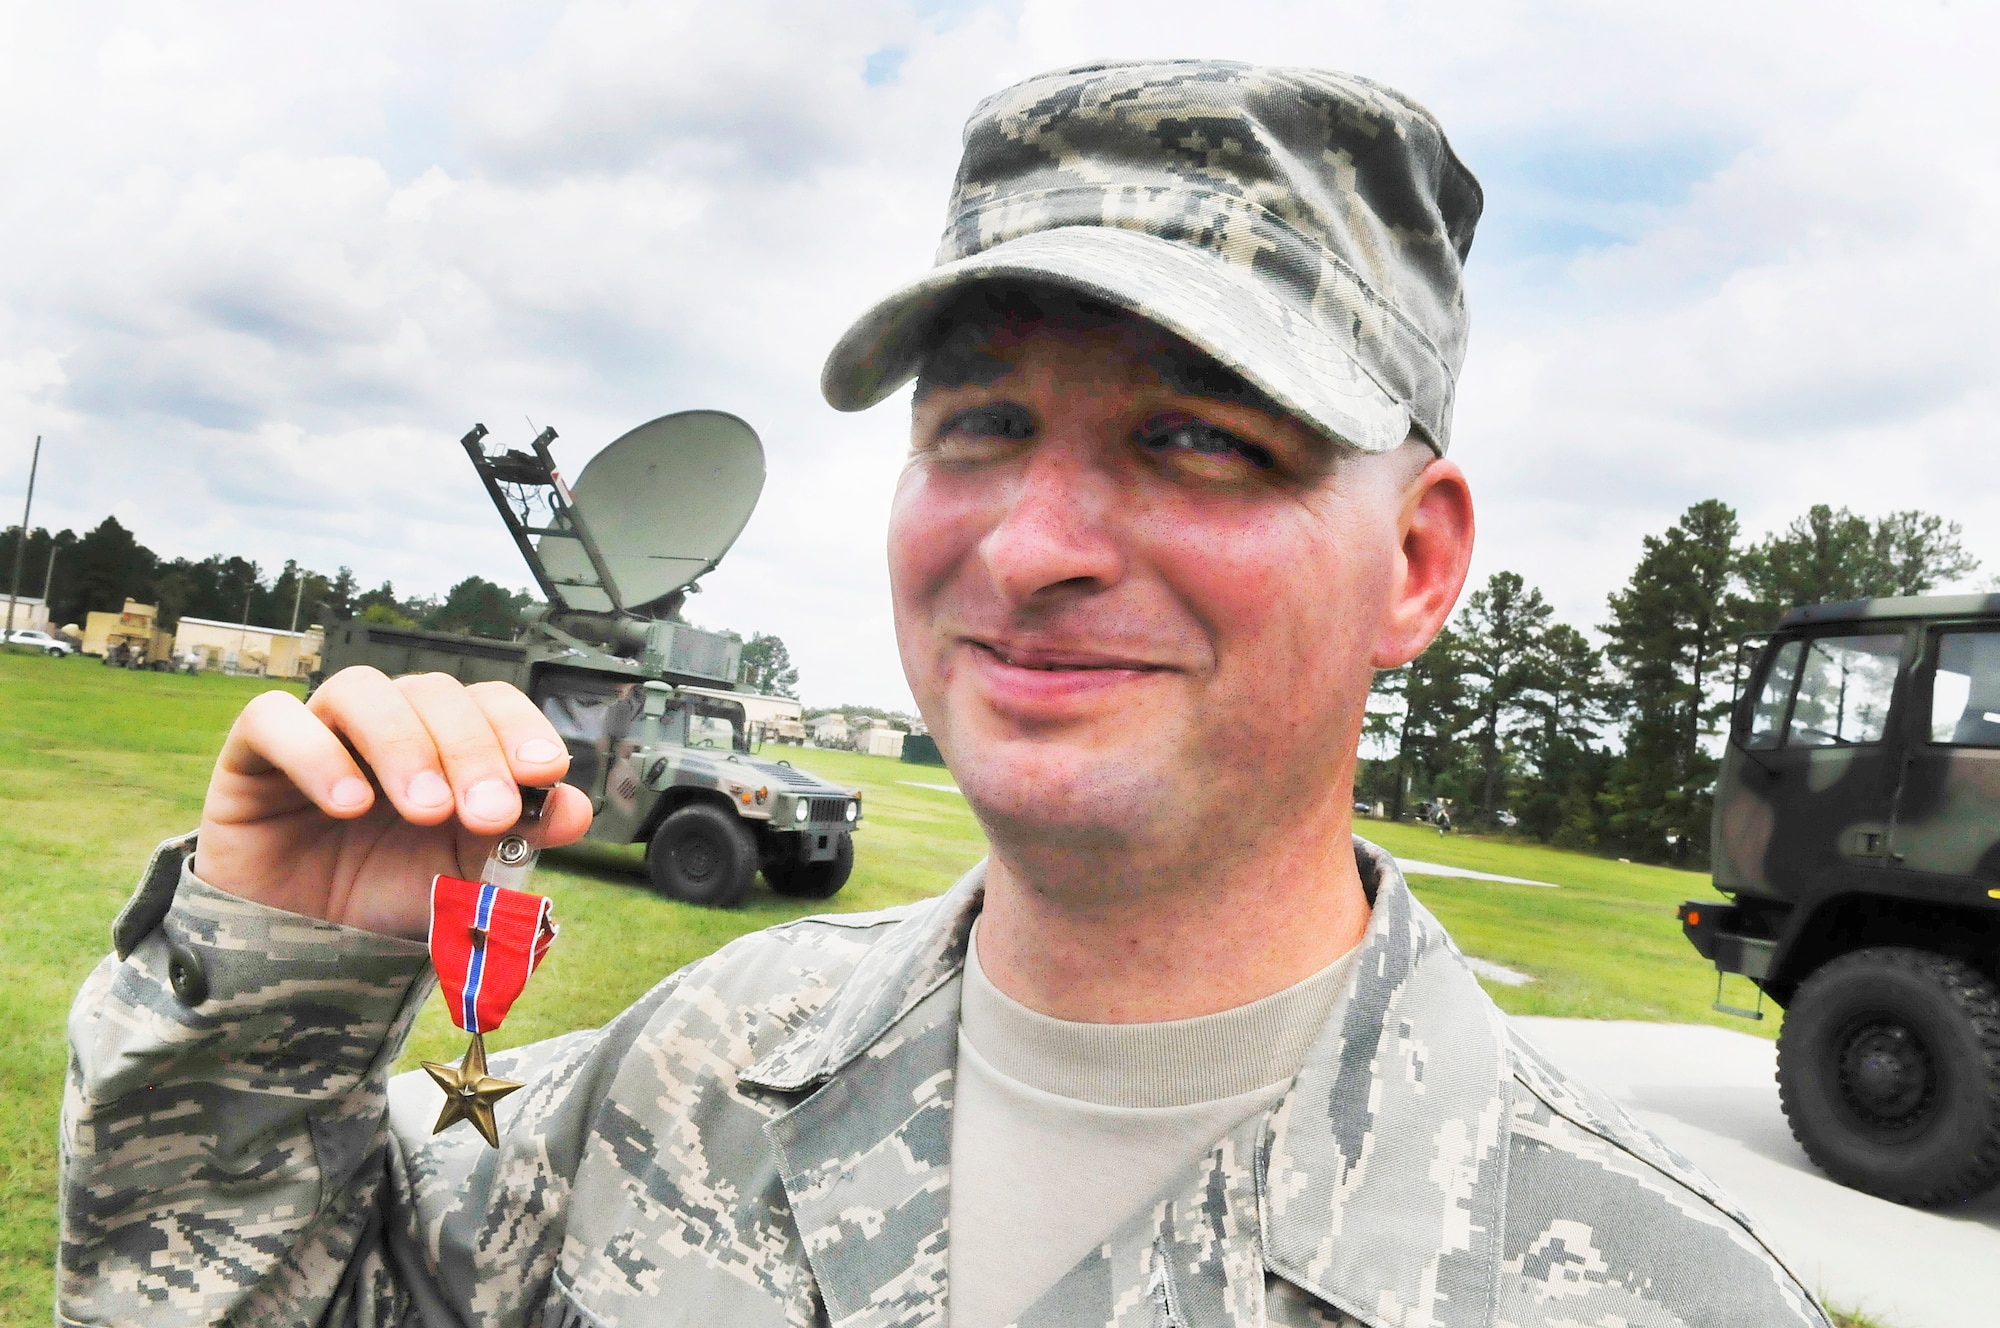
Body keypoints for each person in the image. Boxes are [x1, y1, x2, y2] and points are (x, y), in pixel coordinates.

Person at [59, 61, 1830, 1328]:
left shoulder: (1639, 1284)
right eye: (980, 424)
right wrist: (272, 997)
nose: (1034, 545)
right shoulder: (684, 1077)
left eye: (1196, 438)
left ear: (1421, 562)